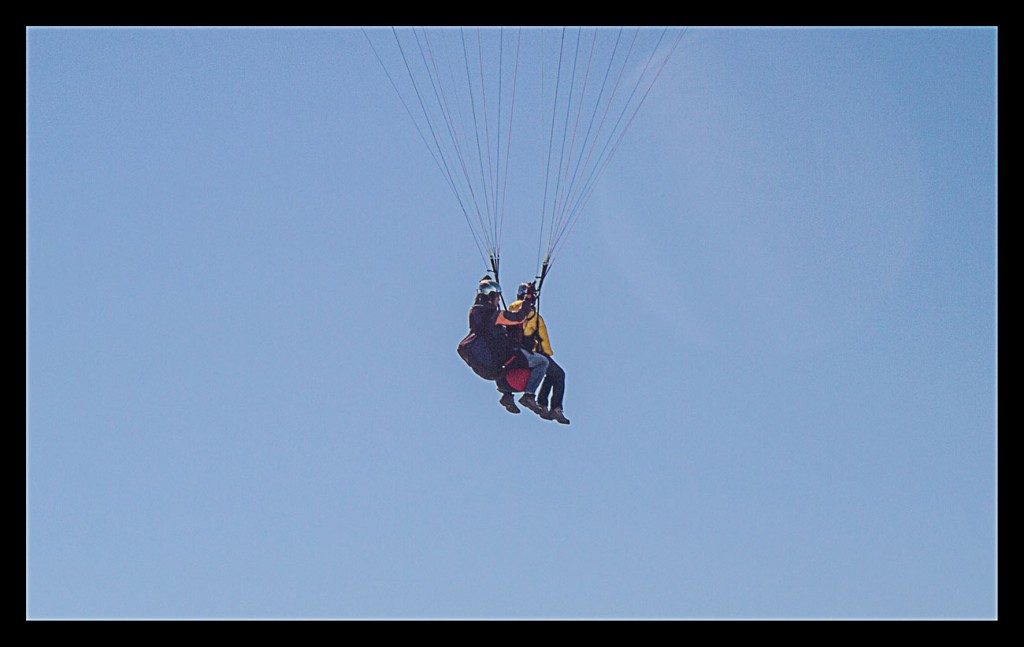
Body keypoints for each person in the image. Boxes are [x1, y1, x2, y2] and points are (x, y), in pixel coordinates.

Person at [468, 276, 550, 415]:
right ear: (491, 296)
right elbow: (519, 317)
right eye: (497, 297)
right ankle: (529, 396)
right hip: (505, 354)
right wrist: (528, 300)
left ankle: (507, 395)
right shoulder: (493, 315)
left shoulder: (474, 312)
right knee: (542, 362)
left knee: (508, 361)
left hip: (494, 360)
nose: (499, 300)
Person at [507, 282, 570, 424]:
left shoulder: (520, 312)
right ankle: (554, 407)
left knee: (553, 373)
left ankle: (543, 403)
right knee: (559, 374)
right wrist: (547, 353)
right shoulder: (522, 309)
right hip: (528, 353)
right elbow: (542, 338)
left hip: (527, 352)